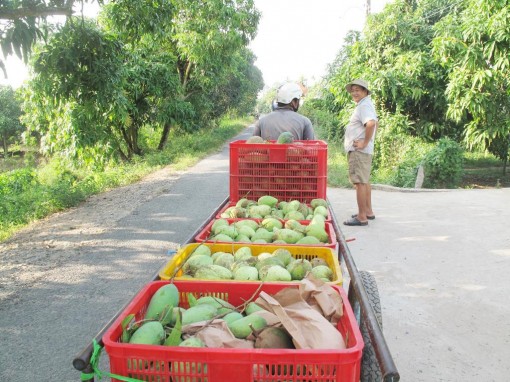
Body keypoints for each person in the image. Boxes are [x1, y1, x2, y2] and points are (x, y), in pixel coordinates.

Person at [343, 79, 378, 226]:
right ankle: (367, 211)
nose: (354, 93)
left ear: (365, 92)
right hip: (363, 151)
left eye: (358, 90)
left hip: (359, 152)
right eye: (353, 90)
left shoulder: (364, 106)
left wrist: (364, 142)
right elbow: (375, 123)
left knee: (359, 183)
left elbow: (371, 123)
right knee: (364, 181)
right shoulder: (366, 105)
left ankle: (362, 216)